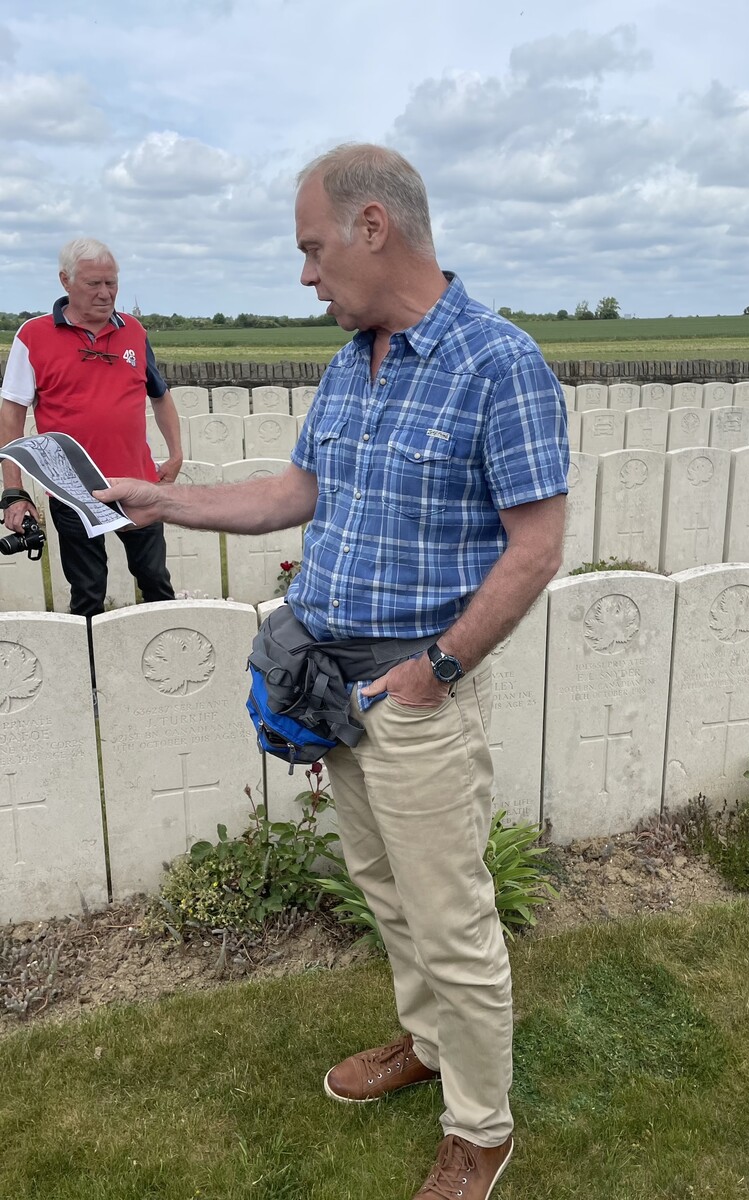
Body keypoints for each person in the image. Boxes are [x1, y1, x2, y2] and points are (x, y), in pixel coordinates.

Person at [95, 144, 569, 1200]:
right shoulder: (350, 359)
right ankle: (428, 1045)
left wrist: (435, 672)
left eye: (312, 248)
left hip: (413, 692)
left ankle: (481, 1130)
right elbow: (298, 491)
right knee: (386, 894)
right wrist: (165, 500)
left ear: (372, 227)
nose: (305, 274)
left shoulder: (501, 363)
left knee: (451, 918)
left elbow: (536, 545)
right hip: (330, 688)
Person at [0, 237, 182, 617]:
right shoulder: (33, 336)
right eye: (93, 284)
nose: (105, 294)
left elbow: (160, 394)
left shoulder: (134, 331)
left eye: (111, 283)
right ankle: (92, 671)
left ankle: (164, 665)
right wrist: (13, 491)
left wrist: (176, 452)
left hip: (138, 482)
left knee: (155, 581)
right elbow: (12, 413)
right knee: (87, 593)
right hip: (72, 491)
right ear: (65, 281)